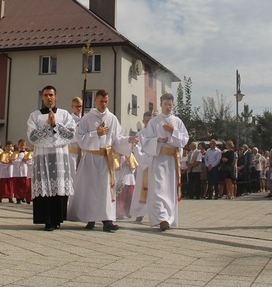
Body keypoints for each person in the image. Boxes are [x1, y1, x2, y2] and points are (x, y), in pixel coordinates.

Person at [68, 89, 134, 232]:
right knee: (91, 189)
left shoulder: (112, 118)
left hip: (105, 158)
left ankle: (107, 221)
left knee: (106, 190)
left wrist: (129, 140)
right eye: (101, 101)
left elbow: (117, 139)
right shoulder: (87, 118)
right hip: (91, 157)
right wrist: (95, 133)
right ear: (95, 101)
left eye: (106, 101)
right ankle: (90, 219)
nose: (104, 104)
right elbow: (79, 138)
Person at [27, 85, 76, 231]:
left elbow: (71, 134)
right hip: (43, 156)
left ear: (56, 96)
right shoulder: (34, 116)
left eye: (51, 95)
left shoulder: (65, 114)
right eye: (46, 95)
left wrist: (56, 125)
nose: (49, 98)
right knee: (44, 186)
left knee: (59, 186)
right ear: (42, 97)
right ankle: (47, 220)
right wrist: (47, 127)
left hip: (60, 156)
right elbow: (32, 136)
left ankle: (57, 219)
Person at [139, 93, 189, 231]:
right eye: (165, 104)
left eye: (170, 104)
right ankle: (162, 218)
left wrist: (173, 131)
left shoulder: (177, 121)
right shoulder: (154, 122)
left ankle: (169, 217)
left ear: (173, 105)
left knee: (169, 190)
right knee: (158, 189)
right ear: (160, 105)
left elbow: (185, 140)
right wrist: (157, 140)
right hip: (158, 158)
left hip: (171, 162)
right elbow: (146, 141)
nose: (168, 107)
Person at [131, 112, 153, 223]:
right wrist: (147, 160)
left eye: (151, 120)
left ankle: (156, 213)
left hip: (155, 166)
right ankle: (140, 213)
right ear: (143, 121)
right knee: (141, 189)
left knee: (155, 190)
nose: (149, 122)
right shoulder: (140, 134)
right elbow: (137, 149)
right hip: (144, 166)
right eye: (147, 120)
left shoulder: (156, 134)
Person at [68, 97, 83, 181]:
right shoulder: (69, 120)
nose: (79, 108)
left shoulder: (85, 119)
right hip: (72, 152)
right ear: (72, 106)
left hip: (83, 151)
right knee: (73, 175)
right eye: (77, 106)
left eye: (80, 106)